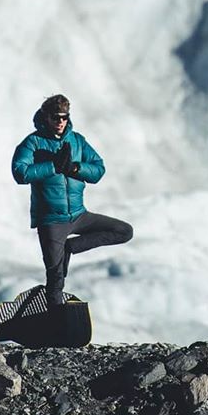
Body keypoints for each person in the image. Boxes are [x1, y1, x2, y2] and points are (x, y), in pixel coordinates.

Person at [12, 93, 132, 306]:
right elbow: (20, 173)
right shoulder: (33, 142)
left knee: (124, 231)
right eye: (56, 117)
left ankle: (70, 247)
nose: (60, 121)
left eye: (64, 117)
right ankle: (55, 326)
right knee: (56, 279)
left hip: (79, 214)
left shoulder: (77, 141)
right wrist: (53, 166)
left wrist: (76, 168)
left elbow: (98, 170)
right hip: (51, 220)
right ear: (45, 117)